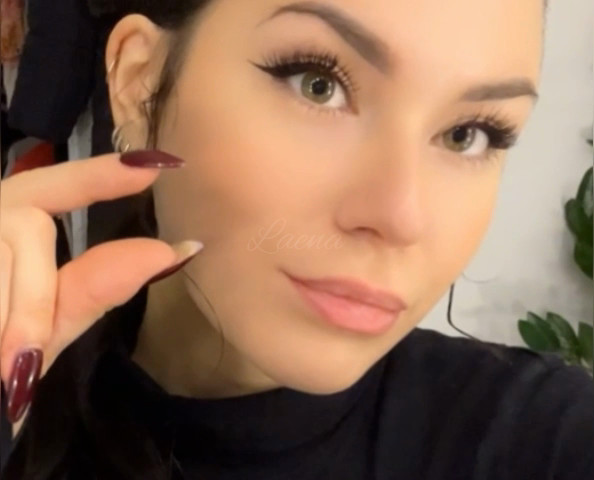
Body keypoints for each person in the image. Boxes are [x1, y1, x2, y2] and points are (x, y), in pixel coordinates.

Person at [1, 0, 592, 479]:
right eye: (319, 84)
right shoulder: (29, 407)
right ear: (139, 83)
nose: (401, 217)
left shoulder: (543, 438)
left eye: (469, 134)